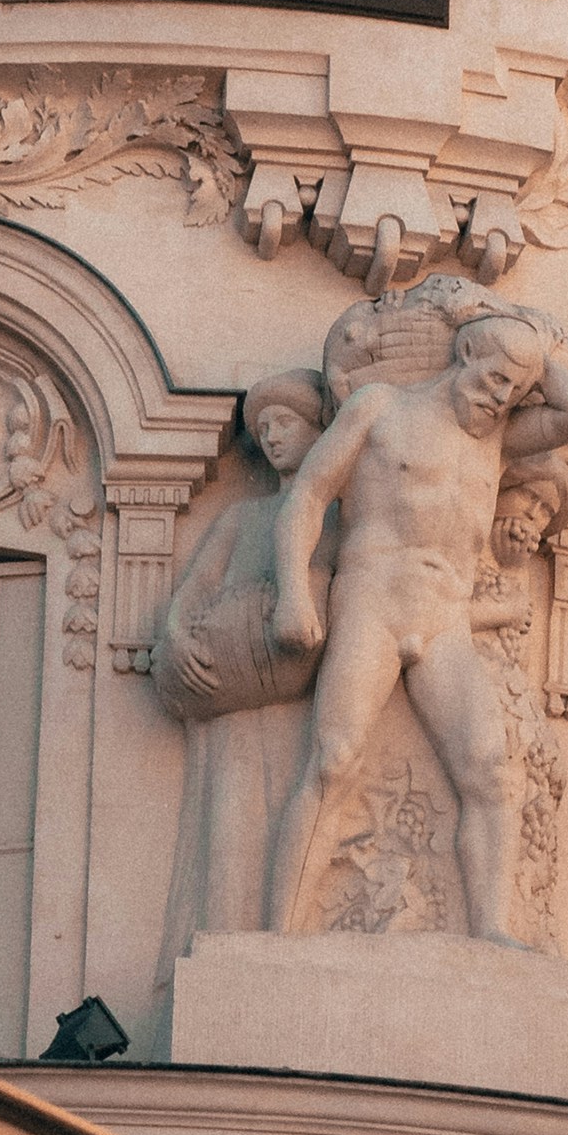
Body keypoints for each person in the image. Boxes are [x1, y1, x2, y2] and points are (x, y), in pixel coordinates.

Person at [263, 302, 568, 944]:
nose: (499, 400)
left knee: (491, 770)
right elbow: (308, 496)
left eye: (514, 393)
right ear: (464, 354)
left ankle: (491, 930)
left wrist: (535, 346)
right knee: (333, 760)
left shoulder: (497, 440)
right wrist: (292, 595)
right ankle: (279, 933)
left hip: (446, 621)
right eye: (494, 380)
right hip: (373, 603)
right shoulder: (380, 408)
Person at [150, 374, 335, 992]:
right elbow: (193, 590)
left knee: (294, 813)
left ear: (319, 432)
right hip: (231, 697)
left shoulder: (340, 517)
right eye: (264, 429)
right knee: (231, 824)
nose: (274, 436)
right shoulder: (242, 517)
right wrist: (177, 636)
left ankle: (287, 944)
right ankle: (229, 949)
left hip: (296, 697)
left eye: (286, 424)